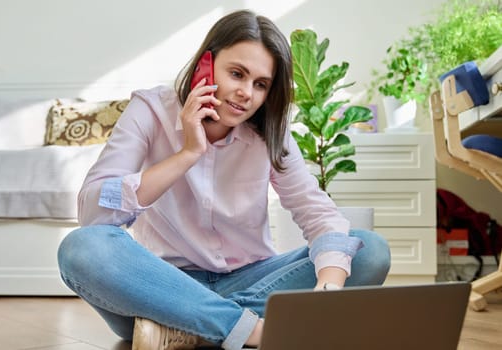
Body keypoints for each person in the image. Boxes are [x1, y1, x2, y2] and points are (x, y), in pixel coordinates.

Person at [57, 9, 391, 350]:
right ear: (206, 63)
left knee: (369, 251)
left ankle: (188, 329)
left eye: (260, 84)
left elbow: (317, 213)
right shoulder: (150, 110)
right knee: (81, 248)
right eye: (237, 73)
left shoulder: (269, 130)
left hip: (251, 279)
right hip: (164, 286)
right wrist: (187, 153)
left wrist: (329, 291)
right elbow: (94, 214)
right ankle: (254, 330)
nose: (247, 93)